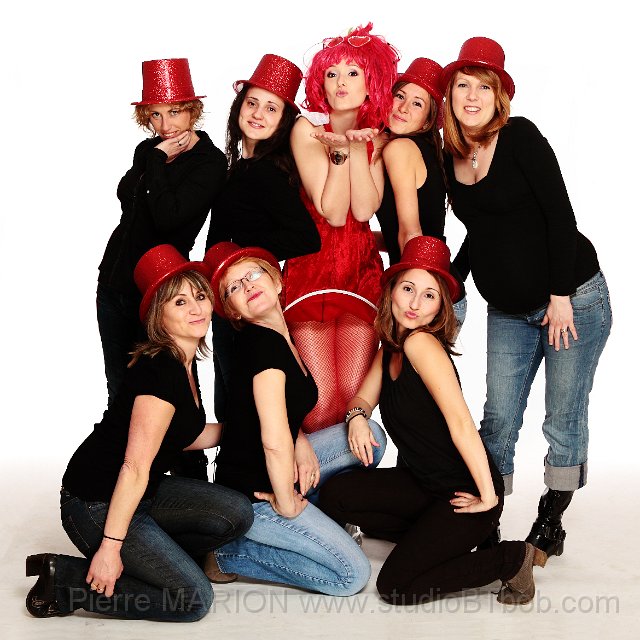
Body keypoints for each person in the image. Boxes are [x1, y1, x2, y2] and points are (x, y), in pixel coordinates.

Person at [440, 37, 612, 557]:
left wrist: (559, 295)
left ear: (499, 97)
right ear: (449, 94)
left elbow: (561, 219)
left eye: (483, 87)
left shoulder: (521, 139)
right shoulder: (451, 153)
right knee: (499, 418)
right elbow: (481, 229)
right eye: (462, 86)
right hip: (509, 311)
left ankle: (550, 522)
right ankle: (486, 516)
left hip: (572, 298)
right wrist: (448, 283)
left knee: (562, 416)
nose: (471, 96)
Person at [25, 245, 253, 621]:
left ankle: (156, 557)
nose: (197, 308)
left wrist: (248, 432)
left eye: (199, 296)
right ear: (158, 317)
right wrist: (111, 548)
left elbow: (181, 436)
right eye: (180, 303)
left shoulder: (185, 361)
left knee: (235, 512)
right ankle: (65, 579)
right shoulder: (159, 371)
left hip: (138, 493)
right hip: (96, 501)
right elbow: (133, 466)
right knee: (193, 600)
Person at [320, 236, 546, 605]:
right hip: (425, 486)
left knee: (396, 586)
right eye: (408, 288)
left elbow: (460, 423)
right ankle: (434, 538)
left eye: (429, 295)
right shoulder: (391, 346)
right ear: (392, 290)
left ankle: (510, 559)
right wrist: (358, 418)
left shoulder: (420, 345)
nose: (414, 303)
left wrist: (488, 496)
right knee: (336, 495)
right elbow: (361, 398)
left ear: (441, 305)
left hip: (465, 492)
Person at [200, 241, 386, 595]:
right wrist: (285, 498)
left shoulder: (281, 337)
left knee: (370, 435)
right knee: (351, 575)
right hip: (256, 493)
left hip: (281, 465)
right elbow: (272, 439)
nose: (248, 286)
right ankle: (227, 554)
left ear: (278, 282)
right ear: (233, 311)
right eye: (234, 288)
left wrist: (300, 441)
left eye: (253, 274)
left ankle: (316, 514)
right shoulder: (262, 348)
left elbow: (279, 413)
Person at [97, 58, 227, 480]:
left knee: (177, 390)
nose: (165, 124)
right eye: (155, 114)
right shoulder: (149, 150)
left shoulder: (209, 161)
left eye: (174, 112)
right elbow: (132, 206)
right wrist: (152, 159)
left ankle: (194, 485)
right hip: (115, 284)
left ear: (193, 110)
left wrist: (154, 161)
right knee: (122, 391)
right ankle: (124, 485)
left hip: (163, 291)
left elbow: (169, 216)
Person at [282, 22, 399, 432]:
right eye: (332, 74)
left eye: (353, 72)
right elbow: (332, 211)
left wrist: (353, 145)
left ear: (372, 82)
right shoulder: (305, 130)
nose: (341, 82)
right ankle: (312, 487)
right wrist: (340, 151)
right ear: (321, 85)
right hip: (311, 274)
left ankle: (336, 493)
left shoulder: (379, 139)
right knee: (318, 405)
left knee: (351, 396)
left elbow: (364, 210)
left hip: (361, 277)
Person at [204, 53, 320, 422]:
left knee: (241, 402)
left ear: (284, 121)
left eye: (271, 108)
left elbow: (305, 238)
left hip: (244, 298)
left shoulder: (266, 172)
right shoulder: (240, 167)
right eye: (252, 103)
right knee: (228, 398)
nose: (258, 114)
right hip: (226, 295)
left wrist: (247, 260)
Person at [375, 56, 466, 326]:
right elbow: (399, 232)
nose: (402, 108)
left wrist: (411, 299)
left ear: (428, 120)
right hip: (437, 287)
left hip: (423, 293)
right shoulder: (422, 150)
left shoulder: (400, 149)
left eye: (417, 103)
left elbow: (410, 231)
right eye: (399, 96)